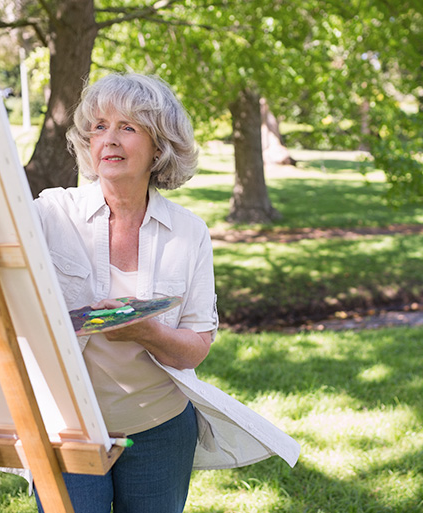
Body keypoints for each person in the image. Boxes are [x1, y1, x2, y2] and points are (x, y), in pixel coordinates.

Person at [33, 72, 299, 513]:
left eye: (128, 127)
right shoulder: (51, 213)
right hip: (69, 427)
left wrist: (146, 332)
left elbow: (195, 348)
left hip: (160, 428)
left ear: (159, 147)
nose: (109, 139)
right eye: (99, 126)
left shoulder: (189, 233)